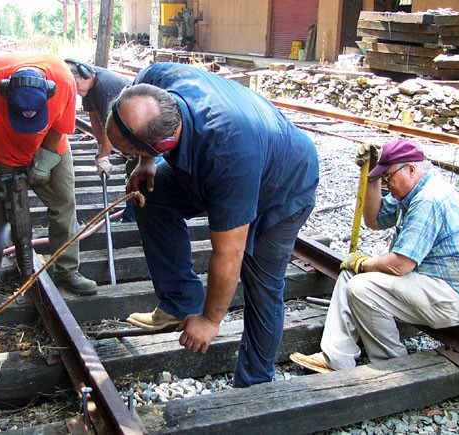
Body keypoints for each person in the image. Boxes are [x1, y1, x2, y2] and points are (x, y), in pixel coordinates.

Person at [104, 62, 319, 388]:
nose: (125, 157)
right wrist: (144, 162)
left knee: (261, 280)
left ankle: (254, 384)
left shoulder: (227, 154)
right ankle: (180, 300)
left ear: (162, 143)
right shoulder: (157, 78)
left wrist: (209, 319)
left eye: (127, 152)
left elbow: (228, 253)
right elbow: (142, 122)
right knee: (149, 192)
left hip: (283, 187)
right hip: (234, 158)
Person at [290, 138, 459, 373]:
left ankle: (391, 362)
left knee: (363, 287)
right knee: (349, 274)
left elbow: (400, 265)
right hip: (431, 285)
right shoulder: (414, 192)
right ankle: (336, 358)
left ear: (411, 169)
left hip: (455, 298)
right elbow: (374, 220)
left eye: (388, 176)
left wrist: (364, 263)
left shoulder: (429, 199)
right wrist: (371, 177)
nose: (387, 184)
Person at [0, 52, 97, 308]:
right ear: (5, 92)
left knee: (64, 205)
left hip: (52, 147)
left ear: (48, 93)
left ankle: (67, 271)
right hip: (3, 149)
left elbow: (61, 126)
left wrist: (45, 161)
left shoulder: (63, 81)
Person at [64, 58, 131, 179]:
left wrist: (104, 156)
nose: (76, 91)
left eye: (76, 85)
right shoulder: (88, 86)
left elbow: (110, 125)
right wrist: (101, 146)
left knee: (134, 161)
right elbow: (93, 115)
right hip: (123, 120)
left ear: (85, 75)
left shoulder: (104, 87)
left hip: (134, 119)